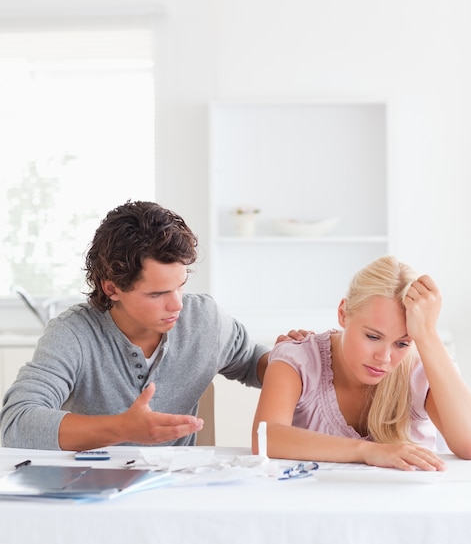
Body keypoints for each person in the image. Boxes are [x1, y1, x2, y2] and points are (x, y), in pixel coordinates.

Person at [1, 200, 273, 451]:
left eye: (180, 286)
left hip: (178, 489)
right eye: (157, 294)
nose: (177, 304)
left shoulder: (204, 319)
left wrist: (297, 357)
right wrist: (121, 429)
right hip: (94, 489)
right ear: (112, 288)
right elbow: (15, 423)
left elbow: (253, 361)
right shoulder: (73, 334)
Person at [252, 255, 471, 471]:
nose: (384, 358)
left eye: (402, 343)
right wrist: (367, 451)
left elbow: (468, 445)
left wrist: (427, 335)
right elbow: (266, 437)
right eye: (373, 337)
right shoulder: (298, 359)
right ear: (343, 314)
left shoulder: (421, 369)